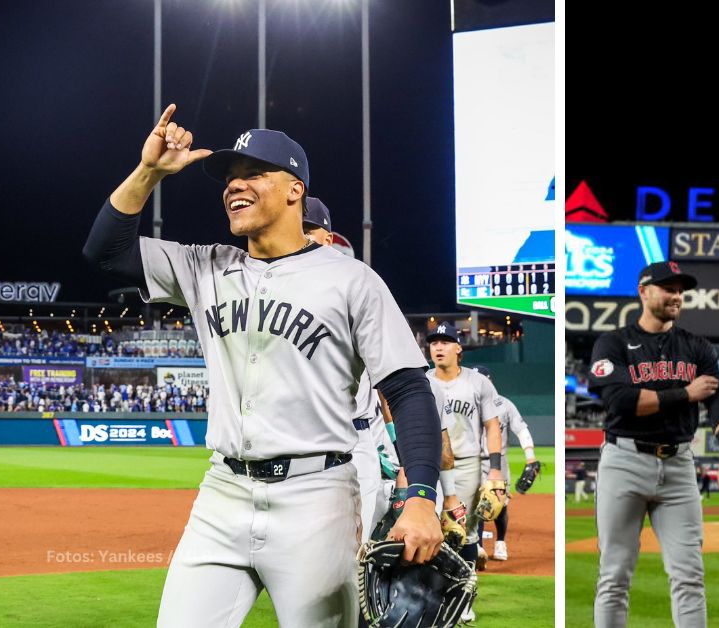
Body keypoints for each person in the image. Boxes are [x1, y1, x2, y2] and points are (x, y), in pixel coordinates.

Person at [82, 104, 443, 627]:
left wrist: (422, 496)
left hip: (317, 498)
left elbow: (408, 391)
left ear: (295, 189)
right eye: (229, 179)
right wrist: (150, 173)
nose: (234, 186)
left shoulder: (351, 280)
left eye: (253, 174)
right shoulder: (205, 266)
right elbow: (104, 252)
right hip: (222, 494)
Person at [587, 260, 719, 628]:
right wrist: (685, 393)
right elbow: (621, 403)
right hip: (625, 459)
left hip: (678, 465)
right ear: (644, 292)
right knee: (614, 576)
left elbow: (718, 400)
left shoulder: (697, 347)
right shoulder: (613, 343)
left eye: (680, 289)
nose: (676, 295)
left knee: (689, 576)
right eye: (668, 287)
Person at [426, 322, 504, 622]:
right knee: (434, 530)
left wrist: (494, 469)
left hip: (468, 463)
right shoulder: (423, 380)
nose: (439, 347)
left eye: (446, 342)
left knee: (466, 532)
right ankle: (435, 596)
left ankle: (465, 597)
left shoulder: (478, 383)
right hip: (432, 463)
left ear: (459, 348)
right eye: (434, 342)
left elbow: (492, 425)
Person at [471, 364, 538, 562]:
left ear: (490, 381)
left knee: (500, 504)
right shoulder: (468, 404)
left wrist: (531, 456)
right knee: (477, 503)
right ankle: (478, 546)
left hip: (498, 462)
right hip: (473, 461)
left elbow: (521, 430)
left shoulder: (505, 405)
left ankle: (500, 542)